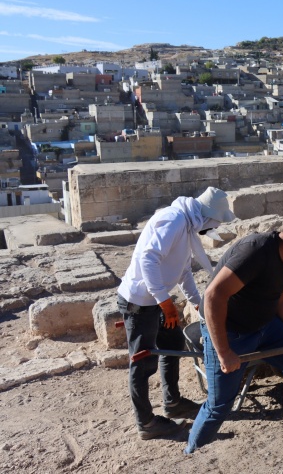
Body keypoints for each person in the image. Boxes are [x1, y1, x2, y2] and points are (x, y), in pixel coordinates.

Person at [185, 209, 283, 454]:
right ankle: (192, 456)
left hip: (264, 327)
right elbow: (213, 297)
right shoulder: (255, 251)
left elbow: (281, 300)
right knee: (219, 405)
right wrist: (224, 352)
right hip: (228, 331)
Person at [117, 187, 236, 440]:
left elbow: (182, 271)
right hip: (140, 302)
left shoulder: (187, 226)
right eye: (215, 222)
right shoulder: (173, 219)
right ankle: (146, 423)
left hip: (157, 301)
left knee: (172, 343)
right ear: (207, 216)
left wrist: (197, 302)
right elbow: (148, 259)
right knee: (142, 362)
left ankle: (172, 402)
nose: (213, 227)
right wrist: (165, 302)